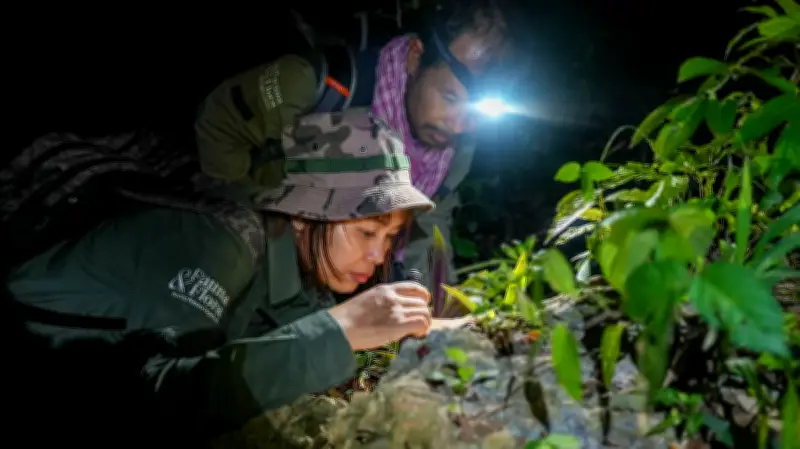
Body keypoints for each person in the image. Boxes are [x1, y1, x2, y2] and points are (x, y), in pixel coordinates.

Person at [5, 108, 465, 444]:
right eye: (367, 230)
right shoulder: (219, 240)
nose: (377, 254)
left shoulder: (299, 265)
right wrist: (341, 329)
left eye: (389, 238)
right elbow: (161, 399)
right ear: (304, 215)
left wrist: (410, 332)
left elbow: (283, 335)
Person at [194, 0, 516, 289]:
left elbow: (428, 222)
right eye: (449, 98)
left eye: (474, 113)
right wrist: (248, 233)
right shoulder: (319, 86)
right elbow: (220, 124)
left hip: (350, 276)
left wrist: (437, 308)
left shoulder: (454, 150)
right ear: (416, 58)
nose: (459, 126)